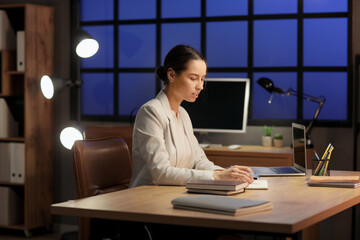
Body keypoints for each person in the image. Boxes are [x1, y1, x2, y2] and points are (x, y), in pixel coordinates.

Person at [129, 44, 254, 188]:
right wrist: (215, 176)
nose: (200, 86)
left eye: (202, 79)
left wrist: (225, 173)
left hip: (173, 193)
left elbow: (198, 160)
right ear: (172, 75)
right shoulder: (151, 112)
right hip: (146, 197)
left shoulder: (183, 114)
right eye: (194, 78)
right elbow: (161, 172)